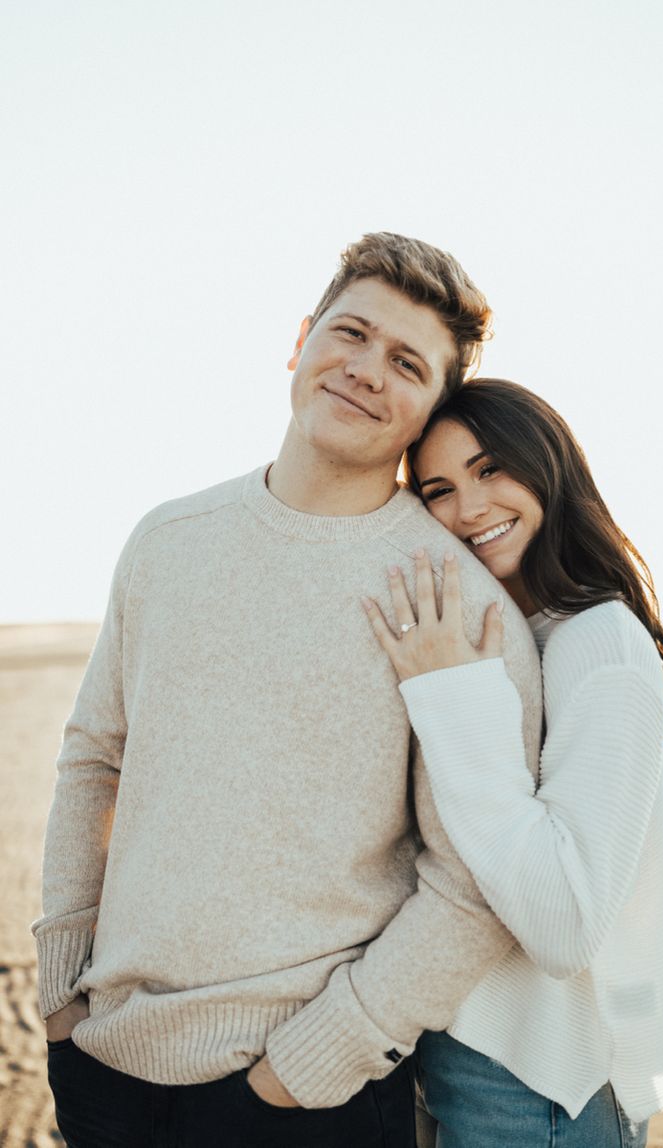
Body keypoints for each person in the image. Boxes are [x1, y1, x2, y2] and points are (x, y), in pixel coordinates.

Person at [32, 238, 543, 1147]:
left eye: (407, 364)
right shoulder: (167, 540)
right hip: (105, 1066)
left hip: (309, 1098)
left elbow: (474, 882)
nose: (365, 371)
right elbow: (94, 761)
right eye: (350, 333)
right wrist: (62, 999)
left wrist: (307, 1068)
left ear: (431, 407)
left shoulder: (455, 602)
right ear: (302, 340)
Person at [363, 378, 663, 1148]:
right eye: (439, 489)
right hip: (465, 1041)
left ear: (548, 464)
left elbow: (564, 923)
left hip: (547, 1076)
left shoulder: (598, 643)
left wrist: (448, 692)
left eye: (491, 469)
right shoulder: (513, 630)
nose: (470, 508)